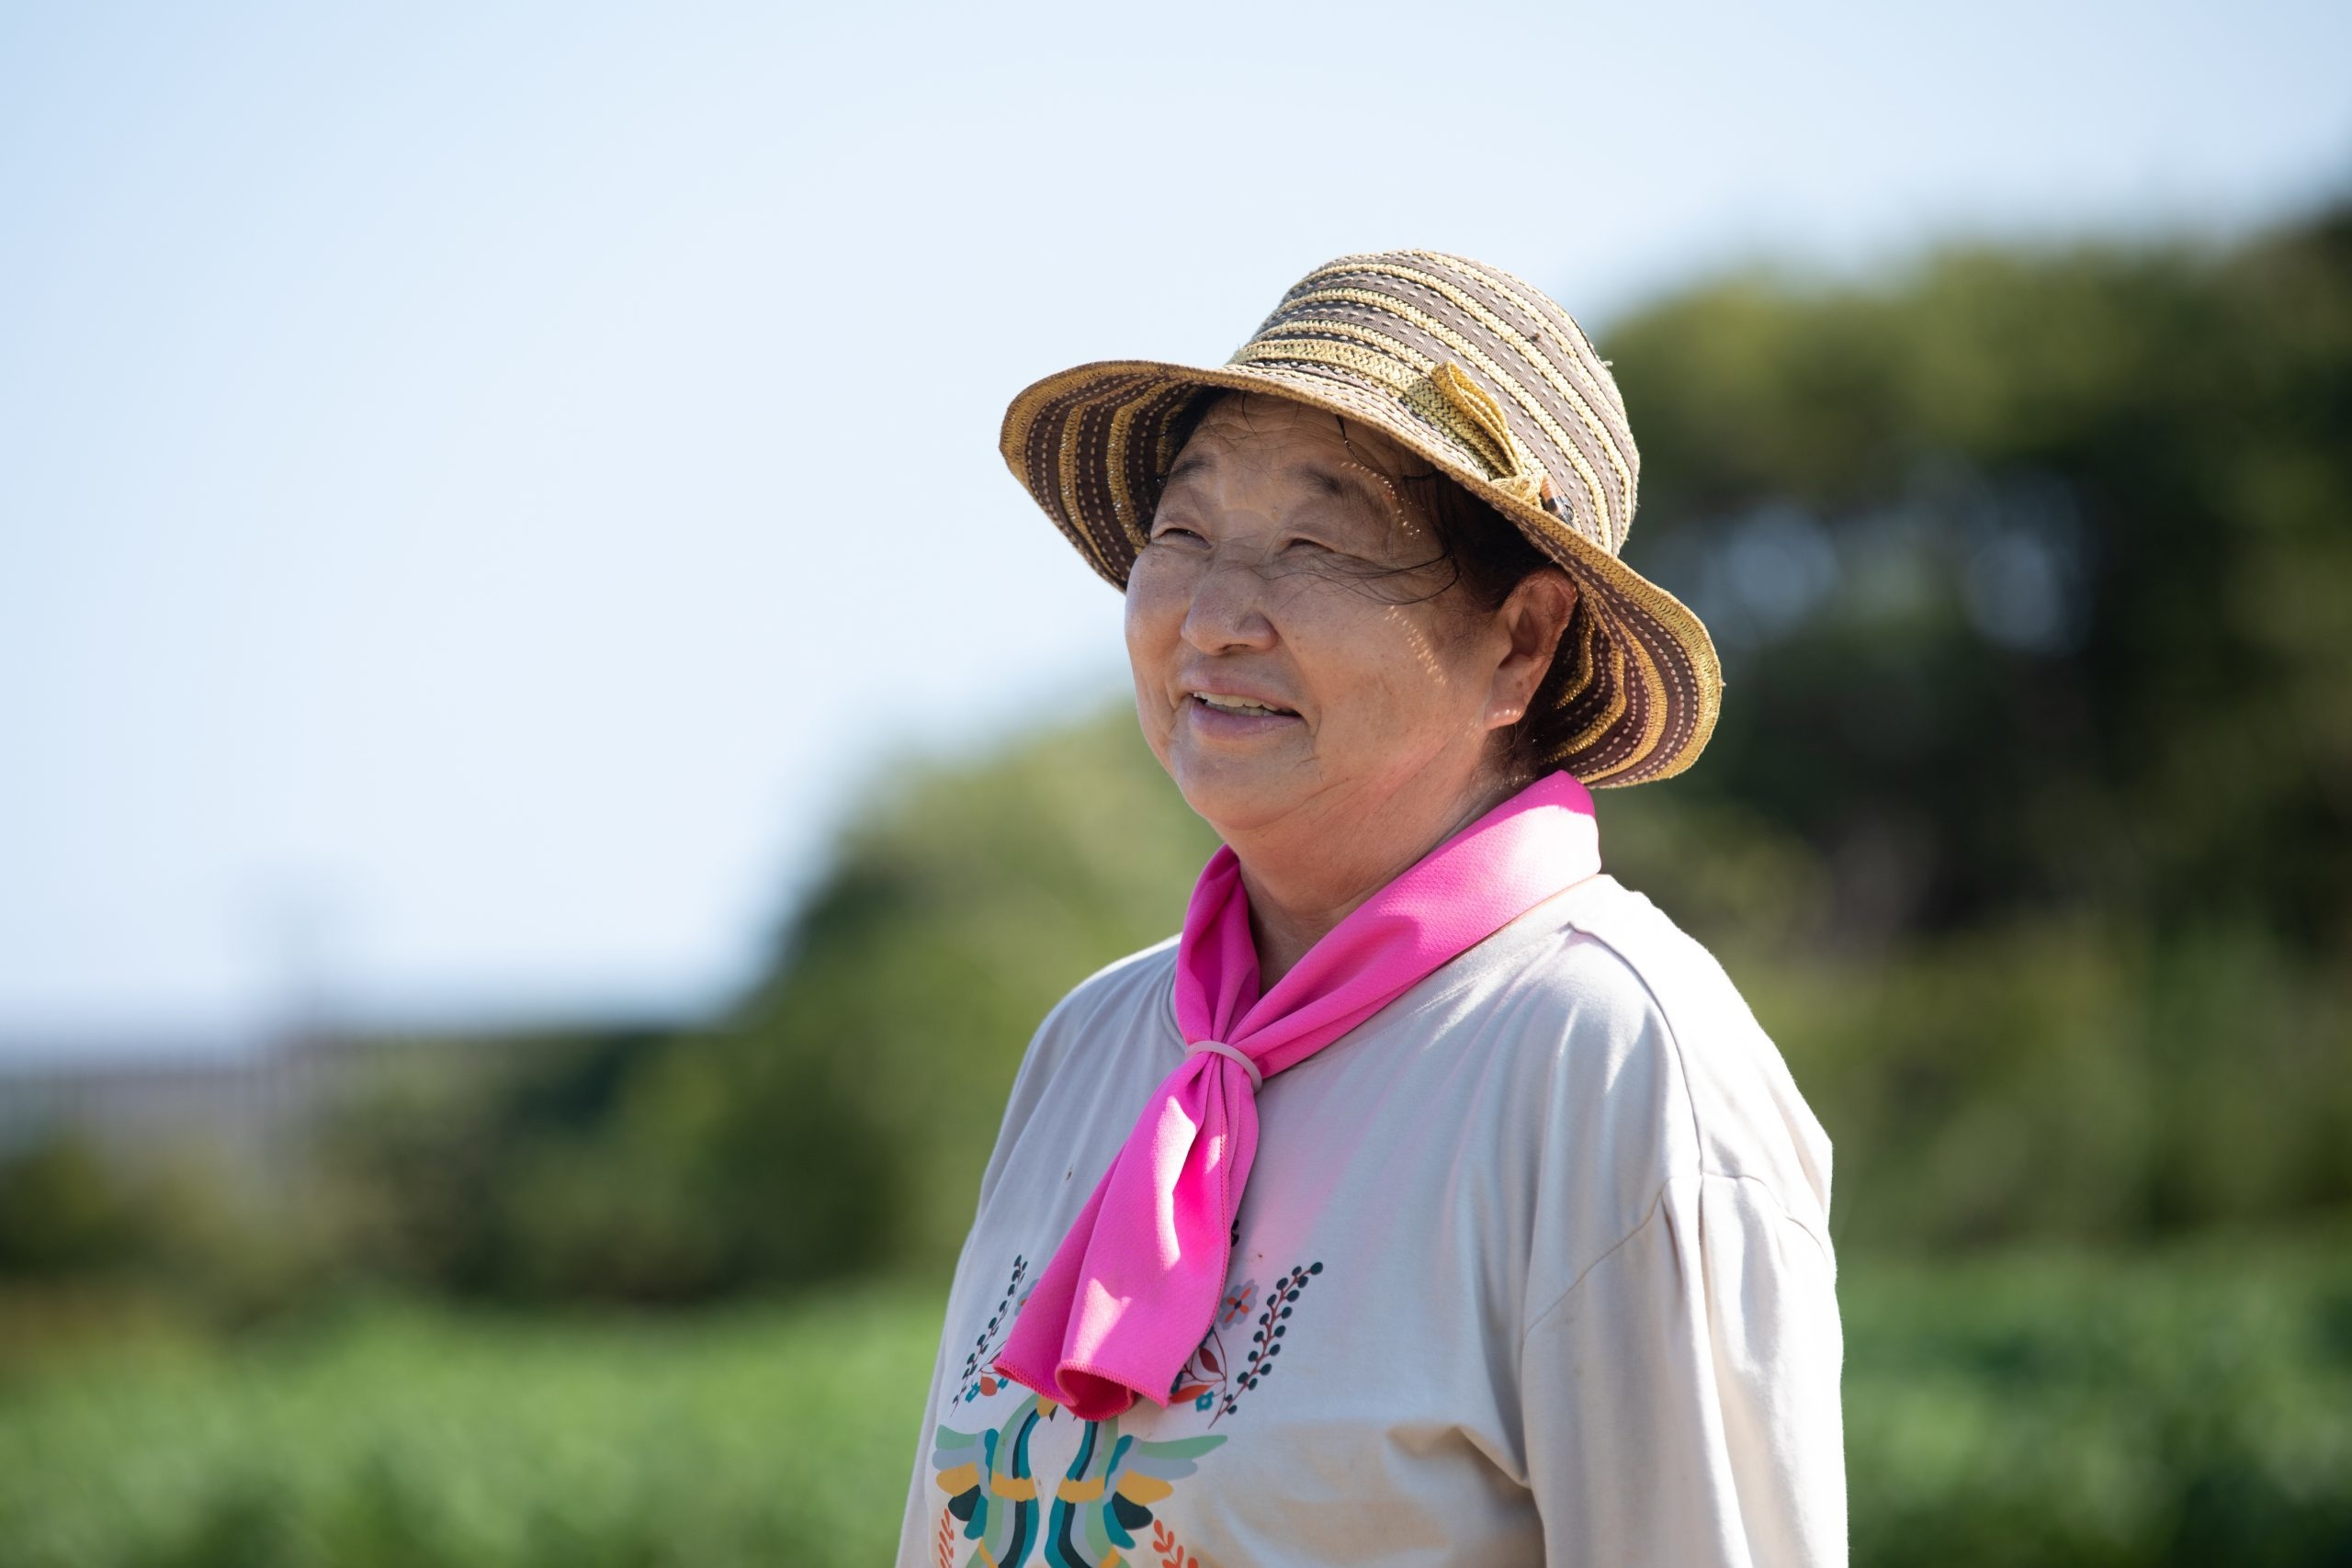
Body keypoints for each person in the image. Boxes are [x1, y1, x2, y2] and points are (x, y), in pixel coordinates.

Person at [894, 251, 1844, 1566]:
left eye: (1317, 546)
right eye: (1184, 533)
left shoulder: (1610, 1060)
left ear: (1520, 642)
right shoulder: (1095, 1045)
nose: (1214, 618)